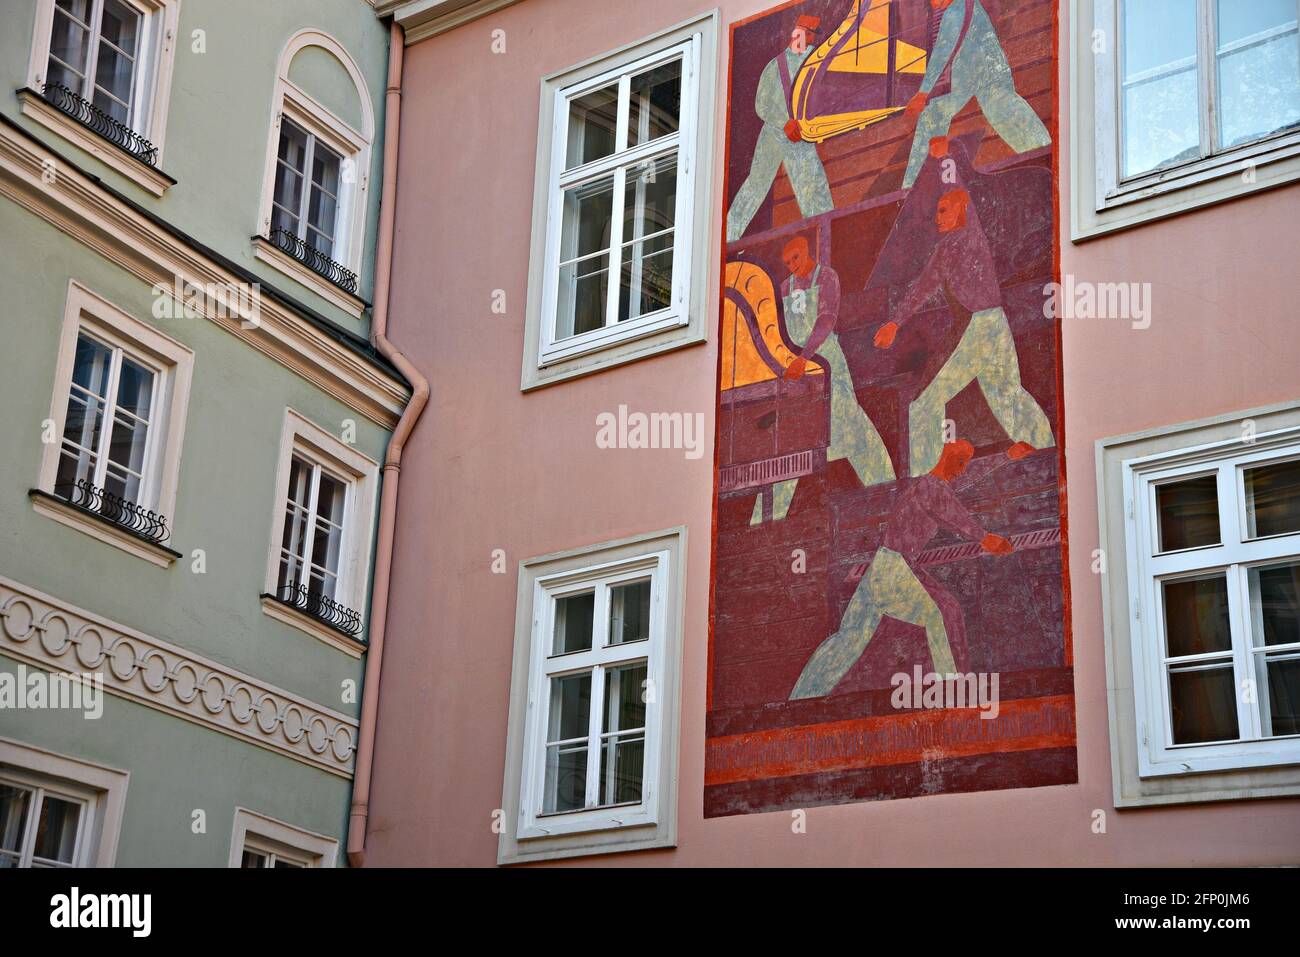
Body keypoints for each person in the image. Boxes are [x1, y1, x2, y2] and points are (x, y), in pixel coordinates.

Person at [789, 440, 1013, 699]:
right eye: (961, 462)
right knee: (939, 614)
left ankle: (802, 696)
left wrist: (1005, 456)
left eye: (966, 464)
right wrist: (985, 537)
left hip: (885, 566)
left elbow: (963, 481)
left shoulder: (932, 483)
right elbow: (955, 515)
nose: (963, 470)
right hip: (893, 570)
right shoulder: (931, 488)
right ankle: (953, 690)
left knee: (848, 638)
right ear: (947, 455)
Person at [875, 176, 1054, 476]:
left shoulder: (973, 234)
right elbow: (922, 287)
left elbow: (968, 188)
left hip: (982, 325)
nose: (937, 218)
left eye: (944, 210)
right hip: (992, 324)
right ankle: (1043, 446)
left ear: (963, 209)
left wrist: (950, 157)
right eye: (937, 212)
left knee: (923, 403)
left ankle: (925, 477)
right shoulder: (944, 249)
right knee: (1007, 391)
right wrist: (895, 321)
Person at [900, 0, 1050, 189]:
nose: (933, 4)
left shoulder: (958, 8)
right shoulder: (958, 9)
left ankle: (1043, 151)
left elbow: (942, 53)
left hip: (985, 74)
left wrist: (923, 92)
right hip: (973, 75)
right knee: (937, 113)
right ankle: (914, 185)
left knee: (1004, 110)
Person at [725, 15, 834, 242]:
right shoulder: (777, 65)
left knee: (811, 181)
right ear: (800, 32)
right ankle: (728, 236)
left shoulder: (812, 59)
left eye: (815, 34)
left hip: (797, 132)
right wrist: (784, 122)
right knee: (761, 184)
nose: (813, 39)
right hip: (777, 133)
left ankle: (825, 230)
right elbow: (761, 104)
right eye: (811, 33)